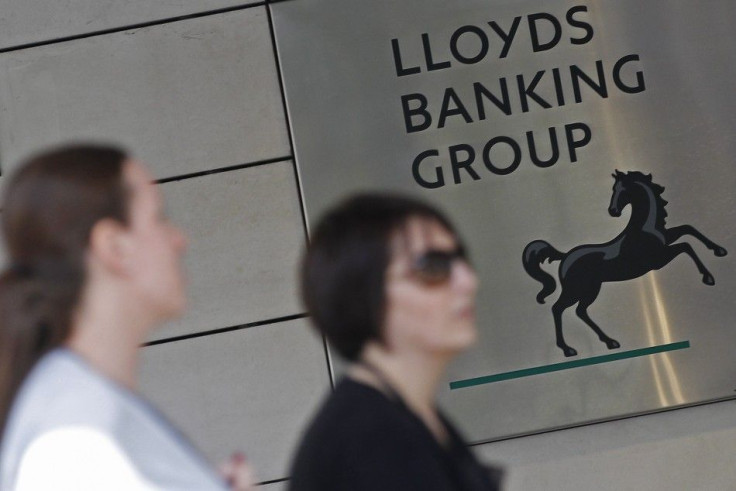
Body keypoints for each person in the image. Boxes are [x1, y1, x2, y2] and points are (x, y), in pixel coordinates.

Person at [0, 144, 254, 490]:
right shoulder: (74, 444)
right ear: (114, 247)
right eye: (159, 218)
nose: (180, 240)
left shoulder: (81, 412)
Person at [289, 194, 502, 491]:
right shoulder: (370, 437)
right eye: (432, 266)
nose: (468, 281)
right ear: (364, 292)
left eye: (460, 258)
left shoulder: (400, 415)